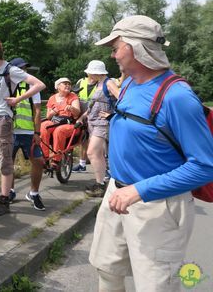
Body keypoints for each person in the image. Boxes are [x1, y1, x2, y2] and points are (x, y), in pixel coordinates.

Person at [89, 15, 213, 291]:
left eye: (116, 46)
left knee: (155, 285)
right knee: (106, 269)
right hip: (116, 193)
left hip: (156, 205)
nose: (112, 54)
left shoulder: (178, 98)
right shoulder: (131, 83)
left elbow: (205, 166)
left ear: (134, 48)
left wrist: (138, 191)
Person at [0, 39, 46, 216]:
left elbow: (39, 84)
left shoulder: (11, 70)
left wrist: (17, 100)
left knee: (4, 158)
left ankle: (4, 200)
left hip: (2, 119)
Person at [75, 60, 120, 198]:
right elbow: (93, 104)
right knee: (98, 154)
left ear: (96, 72)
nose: (88, 74)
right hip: (92, 121)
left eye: (90, 72)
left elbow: (122, 98)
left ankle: (101, 184)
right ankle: (100, 184)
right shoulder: (99, 84)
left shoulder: (108, 83)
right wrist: (82, 117)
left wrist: (113, 115)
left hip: (102, 123)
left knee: (92, 152)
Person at [8, 58, 46, 211]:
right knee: (7, 162)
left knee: (38, 161)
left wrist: (37, 132)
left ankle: (34, 193)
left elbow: (37, 110)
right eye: (21, 68)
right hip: (9, 131)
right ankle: (9, 192)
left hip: (28, 132)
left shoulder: (32, 86)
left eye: (25, 68)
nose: (24, 71)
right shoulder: (6, 84)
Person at [39, 78, 81, 162]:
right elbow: (48, 116)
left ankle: (56, 160)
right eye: (65, 83)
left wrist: (72, 108)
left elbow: (77, 113)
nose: (68, 85)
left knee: (59, 130)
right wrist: (54, 111)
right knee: (43, 126)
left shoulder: (73, 96)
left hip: (70, 123)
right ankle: (44, 156)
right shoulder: (52, 98)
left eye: (69, 84)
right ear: (58, 86)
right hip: (55, 120)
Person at [72, 72, 98, 172]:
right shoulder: (81, 81)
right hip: (81, 115)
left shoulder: (100, 84)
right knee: (83, 139)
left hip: (95, 116)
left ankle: (102, 166)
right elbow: (74, 95)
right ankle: (82, 164)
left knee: (96, 141)